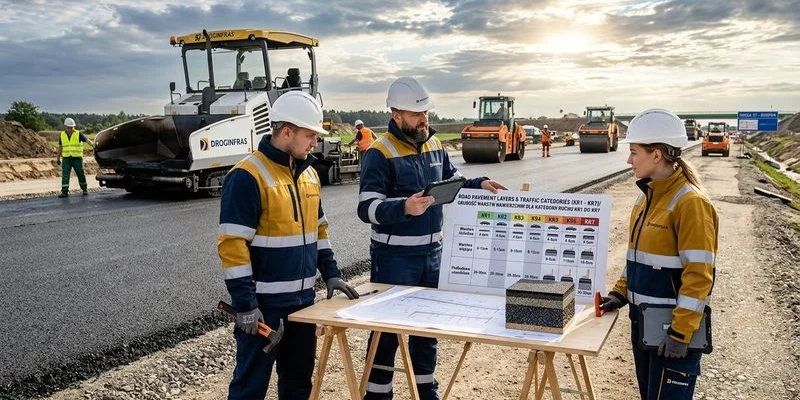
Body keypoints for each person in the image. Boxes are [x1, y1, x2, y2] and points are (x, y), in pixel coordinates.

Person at [357, 76, 506, 400]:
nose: (424, 119)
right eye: (416, 114)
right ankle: (377, 395)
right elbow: (366, 208)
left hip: (433, 256)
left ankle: (426, 392)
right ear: (396, 115)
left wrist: (478, 183)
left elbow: (453, 180)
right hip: (394, 261)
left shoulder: (435, 145)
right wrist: (404, 207)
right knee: (386, 334)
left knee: (427, 330)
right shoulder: (379, 153)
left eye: (425, 113)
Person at [217, 90, 359, 400]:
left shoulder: (309, 175)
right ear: (286, 132)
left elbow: (319, 230)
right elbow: (232, 246)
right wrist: (246, 304)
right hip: (264, 308)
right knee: (249, 388)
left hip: (303, 304)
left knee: (298, 385)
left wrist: (331, 273)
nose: (314, 143)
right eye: (310, 135)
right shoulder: (247, 176)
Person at [599, 108, 717, 400]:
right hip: (645, 328)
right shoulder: (646, 199)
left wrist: (680, 334)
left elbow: (699, 276)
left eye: (634, 152)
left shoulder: (690, 203)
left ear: (656, 154)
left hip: (673, 336)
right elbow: (637, 259)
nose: (629, 160)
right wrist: (619, 293)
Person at [57, 117, 93, 197]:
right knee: (65, 175)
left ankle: (84, 189)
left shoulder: (78, 134)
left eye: (72, 127)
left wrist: (95, 146)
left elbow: (88, 141)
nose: (70, 129)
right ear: (65, 127)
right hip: (66, 159)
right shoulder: (62, 135)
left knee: (80, 174)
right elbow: (60, 147)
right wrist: (58, 158)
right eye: (69, 127)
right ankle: (64, 191)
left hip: (77, 159)